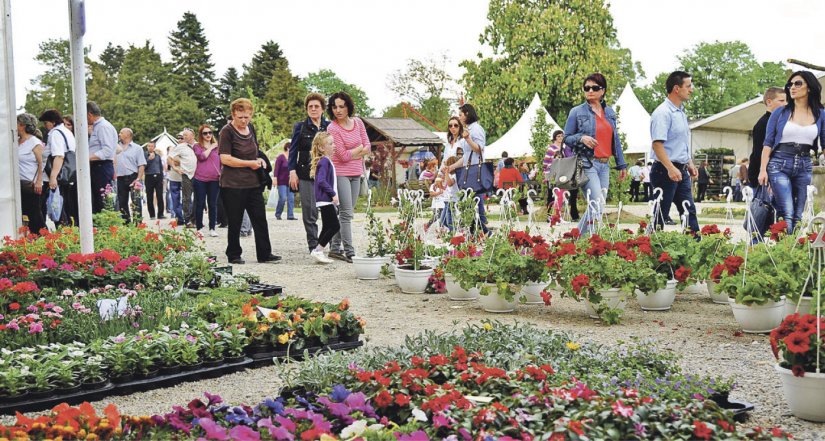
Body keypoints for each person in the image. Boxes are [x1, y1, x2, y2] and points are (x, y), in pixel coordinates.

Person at [758, 70, 825, 234]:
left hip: (804, 165)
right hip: (779, 164)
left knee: (798, 215)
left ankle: (792, 252)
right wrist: (762, 169)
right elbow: (767, 143)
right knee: (787, 212)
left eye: (798, 83)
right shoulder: (780, 113)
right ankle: (786, 251)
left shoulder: (821, 114)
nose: (792, 87)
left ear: (809, 87)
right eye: (790, 84)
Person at [563, 73, 627, 235]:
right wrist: (581, 138)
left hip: (605, 165)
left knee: (597, 206)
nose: (590, 90)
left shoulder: (610, 113)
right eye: (587, 88)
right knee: (596, 205)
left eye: (595, 88)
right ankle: (591, 243)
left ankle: (576, 239)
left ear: (602, 91)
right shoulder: (576, 112)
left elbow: (615, 139)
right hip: (587, 163)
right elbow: (566, 138)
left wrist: (621, 164)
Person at [218, 98, 280, 264]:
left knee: (260, 218)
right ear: (233, 115)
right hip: (232, 184)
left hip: (253, 183)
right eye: (240, 117)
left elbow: (255, 150)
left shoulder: (251, 128)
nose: (244, 120)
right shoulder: (226, 131)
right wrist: (249, 164)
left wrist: (261, 160)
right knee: (235, 220)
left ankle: (265, 253)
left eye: (247, 117)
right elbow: (225, 158)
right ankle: (234, 253)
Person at [649, 71, 699, 233]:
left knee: (688, 211)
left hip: (681, 169)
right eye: (688, 86)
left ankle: (696, 248)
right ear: (676, 88)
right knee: (660, 214)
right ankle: (651, 249)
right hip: (665, 170)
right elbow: (657, 144)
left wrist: (689, 163)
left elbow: (680, 143)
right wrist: (670, 168)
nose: (691, 89)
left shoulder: (680, 113)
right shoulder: (663, 113)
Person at [327, 91, 371, 262]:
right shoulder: (333, 128)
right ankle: (350, 251)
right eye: (334, 107)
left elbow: (367, 146)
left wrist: (356, 151)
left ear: (348, 107)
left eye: (341, 106)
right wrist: (358, 150)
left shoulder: (358, 122)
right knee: (346, 213)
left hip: (356, 172)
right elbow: (342, 156)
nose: (338, 110)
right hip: (340, 173)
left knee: (347, 212)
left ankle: (335, 247)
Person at [289, 92, 329, 253]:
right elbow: (293, 151)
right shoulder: (300, 127)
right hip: (306, 174)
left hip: (326, 175)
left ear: (322, 109)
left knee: (330, 211)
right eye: (310, 106)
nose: (313, 109)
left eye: (316, 106)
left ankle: (327, 243)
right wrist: (292, 171)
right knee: (309, 211)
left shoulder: (329, 127)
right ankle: (313, 245)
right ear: (306, 109)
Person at [447, 103, 489, 235]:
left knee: (471, 204)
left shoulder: (476, 129)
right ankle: (478, 233)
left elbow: (479, 149)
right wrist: (452, 167)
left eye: (460, 115)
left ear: (467, 114)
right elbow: (466, 156)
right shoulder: (469, 129)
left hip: (474, 171)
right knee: (470, 205)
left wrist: (468, 139)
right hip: (469, 170)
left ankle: (485, 233)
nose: (459, 118)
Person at [38, 109, 77, 226]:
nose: (45, 126)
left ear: (53, 122)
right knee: (64, 205)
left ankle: (62, 232)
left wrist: (53, 177)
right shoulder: (67, 132)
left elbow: (59, 155)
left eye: (46, 123)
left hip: (57, 174)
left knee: (56, 205)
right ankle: (67, 231)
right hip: (68, 174)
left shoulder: (55, 133)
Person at [309, 132, 338, 264]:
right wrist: (332, 194)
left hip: (324, 200)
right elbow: (321, 181)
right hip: (325, 199)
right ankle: (318, 250)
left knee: (327, 226)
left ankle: (317, 250)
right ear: (321, 147)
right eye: (330, 144)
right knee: (334, 225)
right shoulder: (325, 161)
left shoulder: (326, 161)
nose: (334, 145)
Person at [749, 88, 787, 189]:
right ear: (769, 102)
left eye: (787, 100)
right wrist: (767, 175)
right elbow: (759, 152)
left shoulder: (779, 122)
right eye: (782, 101)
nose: (786, 104)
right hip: (763, 177)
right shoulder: (763, 124)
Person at [87, 101, 118, 214]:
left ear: (89, 114)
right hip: (98, 167)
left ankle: (107, 228)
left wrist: (87, 158)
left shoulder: (103, 127)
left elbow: (107, 150)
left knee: (103, 202)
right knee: (98, 201)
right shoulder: (97, 127)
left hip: (102, 166)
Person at [17, 113, 45, 234]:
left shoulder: (34, 142)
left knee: (34, 215)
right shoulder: (16, 142)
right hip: (19, 184)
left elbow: (41, 163)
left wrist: (39, 181)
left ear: (22, 125)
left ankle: (44, 237)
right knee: (23, 214)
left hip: (31, 184)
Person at [193, 124, 221, 236]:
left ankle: (212, 228)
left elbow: (221, 161)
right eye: (205, 133)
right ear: (201, 135)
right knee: (200, 203)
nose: (208, 135)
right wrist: (211, 147)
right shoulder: (197, 146)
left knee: (213, 204)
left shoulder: (218, 147)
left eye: (210, 132)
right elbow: (202, 157)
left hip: (215, 179)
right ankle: (199, 228)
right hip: (200, 179)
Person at [115, 128, 146, 223]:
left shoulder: (137, 148)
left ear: (128, 135)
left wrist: (138, 179)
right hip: (120, 178)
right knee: (122, 202)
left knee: (136, 201)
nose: (119, 134)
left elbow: (141, 165)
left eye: (121, 133)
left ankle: (138, 223)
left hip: (133, 177)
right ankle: (126, 223)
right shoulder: (115, 147)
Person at [169, 129, 198, 226]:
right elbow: (170, 157)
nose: (184, 137)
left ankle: (195, 219)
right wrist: (175, 168)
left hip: (198, 174)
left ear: (192, 135)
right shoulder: (180, 147)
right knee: (186, 198)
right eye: (183, 136)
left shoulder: (199, 145)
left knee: (198, 198)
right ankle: (188, 220)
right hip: (186, 175)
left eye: (186, 135)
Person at [273, 142, 295, 220]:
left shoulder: (292, 157)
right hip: (281, 181)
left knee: (291, 198)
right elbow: (276, 169)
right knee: (282, 198)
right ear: (288, 148)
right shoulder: (281, 157)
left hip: (290, 181)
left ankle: (290, 215)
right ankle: (278, 214)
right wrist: (275, 178)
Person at [144, 141, 165, 220]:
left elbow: (161, 167)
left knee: (160, 195)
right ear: (147, 147)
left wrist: (162, 177)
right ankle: (152, 215)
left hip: (158, 176)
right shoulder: (144, 155)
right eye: (149, 146)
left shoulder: (158, 156)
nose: (150, 147)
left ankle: (161, 214)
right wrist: (149, 159)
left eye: (152, 146)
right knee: (149, 196)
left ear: (154, 147)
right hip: (149, 176)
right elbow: (143, 166)